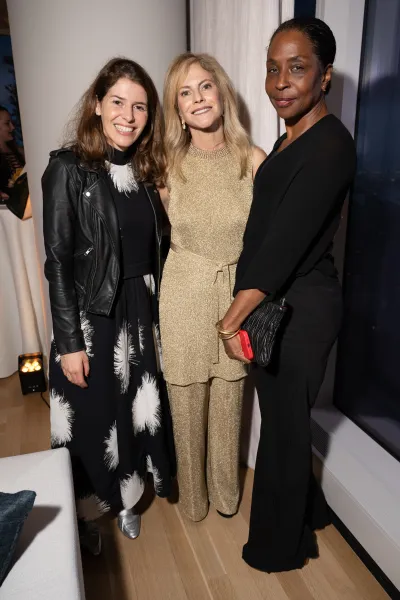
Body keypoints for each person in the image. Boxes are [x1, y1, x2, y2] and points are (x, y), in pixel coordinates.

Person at [220, 17, 356, 572]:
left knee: (280, 431)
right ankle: (311, 512)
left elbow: (284, 245)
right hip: (276, 301)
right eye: (274, 68)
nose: (281, 81)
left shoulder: (331, 145)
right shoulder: (291, 134)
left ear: (324, 77)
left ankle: (277, 550)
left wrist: (229, 323)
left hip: (299, 309)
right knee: (286, 423)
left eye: (297, 68)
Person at [42, 58, 175, 555]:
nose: (128, 114)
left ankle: (126, 500)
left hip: (139, 310)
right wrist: (70, 344)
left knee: (132, 412)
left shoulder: (146, 170)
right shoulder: (68, 168)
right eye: (117, 102)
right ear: (97, 105)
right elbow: (57, 262)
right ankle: (80, 514)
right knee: (92, 417)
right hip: (91, 317)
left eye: (139, 106)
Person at [159, 52, 266, 522]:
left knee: (229, 397)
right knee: (186, 398)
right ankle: (194, 499)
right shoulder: (165, 166)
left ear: (222, 94)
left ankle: (226, 495)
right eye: (186, 92)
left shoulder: (254, 160)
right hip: (183, 291)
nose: (198, 98)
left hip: (234, 294)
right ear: (178, 110)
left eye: (205, 86)